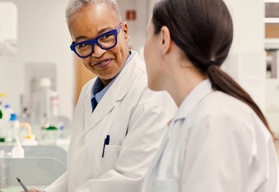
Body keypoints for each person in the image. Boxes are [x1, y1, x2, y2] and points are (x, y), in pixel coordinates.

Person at [29, 0, 176, 192]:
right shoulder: (87, 92)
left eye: (106, 36)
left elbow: (131, 181)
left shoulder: (151, 92)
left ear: (124, 31)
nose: (97, 52)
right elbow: (79, 173)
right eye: (83, 44)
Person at [142, 0, 279, 192]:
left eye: (147, 35)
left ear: (164, 39)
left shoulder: (216, 120)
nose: (142, 52)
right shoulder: (198, 116)